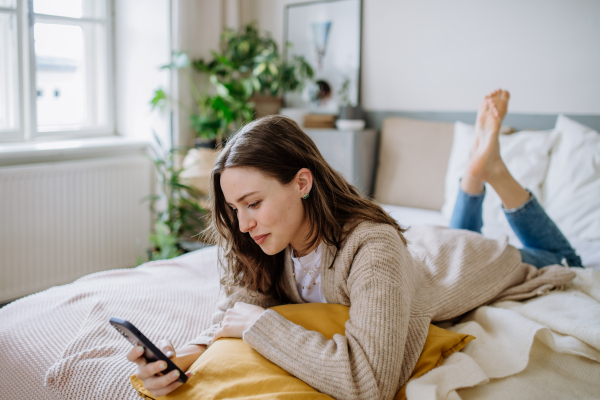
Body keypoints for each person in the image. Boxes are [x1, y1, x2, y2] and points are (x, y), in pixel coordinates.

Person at [127, 90, 579, 399]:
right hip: (422, 247)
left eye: (253, 203)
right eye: (234, 209)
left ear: (302, 182)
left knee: (566, 259)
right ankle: (472, 178)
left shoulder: (373, 248)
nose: (243, 224)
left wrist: (262, 327)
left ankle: (490, 171)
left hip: (463, 262)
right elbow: (236, 313)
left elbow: (369, 384)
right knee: (458, 226)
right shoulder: (264, 242)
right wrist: (187, 356)